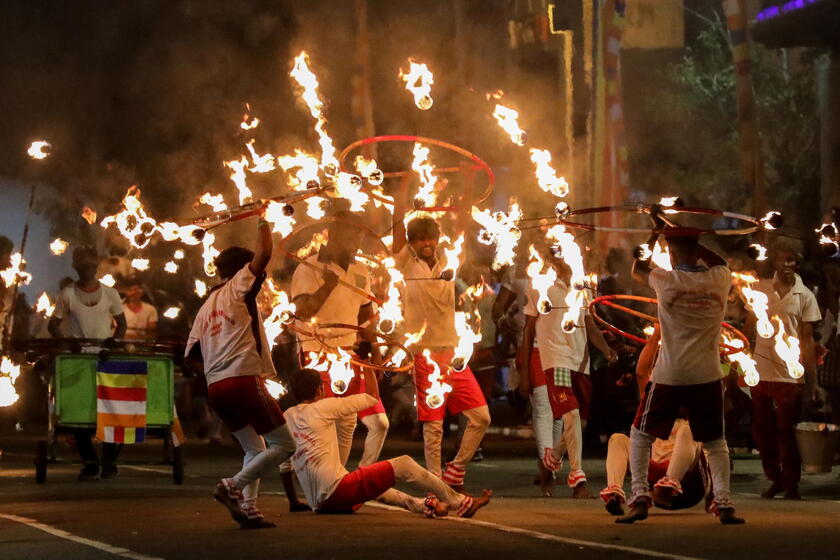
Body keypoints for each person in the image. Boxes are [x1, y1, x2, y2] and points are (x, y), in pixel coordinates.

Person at [621, 221, 745, 525]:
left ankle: (639, 498)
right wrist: (687, 237)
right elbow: (721, 262)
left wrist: (656, 234)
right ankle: (724, 504)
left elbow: (638, 269)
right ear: (697, 251)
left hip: (670, 374)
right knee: (716, 443)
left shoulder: (667, 280)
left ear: (672, 255)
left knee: (640, 435)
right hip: (707, 374)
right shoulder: (719, 278)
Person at [185, 214, 296, 529]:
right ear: (241, 272)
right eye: (255, 272)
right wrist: (265, 218)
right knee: (285, 445)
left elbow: (190, 357)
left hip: (217, 388)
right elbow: (264, 254)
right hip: (242, 381)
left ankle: (248, 508)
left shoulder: (206, 306)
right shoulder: (238, 287)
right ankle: (232, 485)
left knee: (255, 447)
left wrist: (216, 367)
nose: (261, 278)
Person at [284, 364, 491, 517]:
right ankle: (461, 503)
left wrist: (294, 501)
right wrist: (365, 364)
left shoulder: (286, 417)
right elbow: (372, 397)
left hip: (319, 504)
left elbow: (284, 465)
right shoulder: (324, 406)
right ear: (320, 390)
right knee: (404, 463)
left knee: (376, 484)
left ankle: (427, 505)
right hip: (338, 493)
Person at [392, 217, 490, 490]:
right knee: (433, 427)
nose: (428, 243)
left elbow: (461, 217)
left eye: (431, 238)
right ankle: (436, 484)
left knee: (481, 417)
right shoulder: (405, 264)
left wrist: (466, 175)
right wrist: (407, 184)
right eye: (421, 239)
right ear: (412, 243)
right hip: (424, 355)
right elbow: (397, 228)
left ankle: (455, 470)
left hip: (453, 354)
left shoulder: (449, 260)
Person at [291, 211, 389, 469]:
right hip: (316, 351)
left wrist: (375, 355)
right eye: (349, 238)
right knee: (324, 420)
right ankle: (318, 474)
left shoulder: (360, 270)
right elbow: (303, 312)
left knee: (348, 421)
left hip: (349, 351)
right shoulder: (307, 267)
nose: (355, 244)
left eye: (358, 238)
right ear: (332, 237)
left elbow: (366, 314)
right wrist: (327, 286)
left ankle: (340, 477)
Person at [517, 248, 618, 498]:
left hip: (579, 362)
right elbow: (529, 329)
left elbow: (589, 323)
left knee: (577, 421)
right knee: (571, 416)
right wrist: (525, 371)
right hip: (555, 359)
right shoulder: (540, 284)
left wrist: (606, 349)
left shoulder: (581, 285)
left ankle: (549, 460)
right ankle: (578, 480)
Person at [601, 328, 710, 515]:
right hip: (654, 480)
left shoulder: (698, 396)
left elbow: (713, 451)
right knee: (618, 439)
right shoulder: (657, 398)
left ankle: (668, 487)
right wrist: (658, 333)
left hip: (689, 483)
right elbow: (642, 373)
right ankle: (614, 494)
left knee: (687, 431)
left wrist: (715, 498)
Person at [48, 246, 127, 480]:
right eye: (80, 260)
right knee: (78, 413)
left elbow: (121, 324)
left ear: (97, 264)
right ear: (75, 265)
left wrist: (114, 342)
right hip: (77, 359)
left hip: (106, 358)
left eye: (90, 260)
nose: (86, 264)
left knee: (113, 413)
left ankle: (109, 462)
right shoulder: (67, 294)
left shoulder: (111, 293)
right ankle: (91, 463)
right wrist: (67, 342)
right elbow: (53, 325)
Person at [750, 243, 821, 500]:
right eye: (784, 259)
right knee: (761, 429)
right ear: (776, 262)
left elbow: (807, 339)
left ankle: (791, 484)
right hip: (760, 371)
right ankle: (775, 478)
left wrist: (812, 382)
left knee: (786, 430)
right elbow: (748, 327)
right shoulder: (760, 288)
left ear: (798, 264)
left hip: (790, 375)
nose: (788, 264)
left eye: (793, 260)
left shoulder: (805, 296)